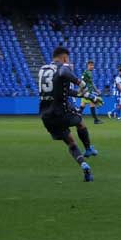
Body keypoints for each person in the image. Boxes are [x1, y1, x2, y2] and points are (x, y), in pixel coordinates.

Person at [38, 46, 97, 182]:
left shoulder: (43, 69)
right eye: (67, 59)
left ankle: (84, 166)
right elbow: (64, 71)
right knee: (80, 121)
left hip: (46, 116)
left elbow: (63, 90)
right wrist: (81, 83)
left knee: (71, 143)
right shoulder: (62, 67)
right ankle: (88, 148)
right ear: (64, 58)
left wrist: (85, 95)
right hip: (60, 110)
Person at [80, 60, 103, 124]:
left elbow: (91, 83)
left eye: (93, 65)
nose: (92, 66)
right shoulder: (85, 72)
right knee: (91, 104)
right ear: (88, 66)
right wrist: (82, 90)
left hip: (89, 91)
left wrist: (96, 90)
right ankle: (96, 120)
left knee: (84, 105)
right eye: (90, 65)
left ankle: (76, 118)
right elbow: (81, 81)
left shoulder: (90, 73)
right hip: (86, 92)